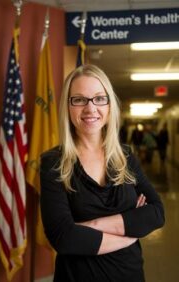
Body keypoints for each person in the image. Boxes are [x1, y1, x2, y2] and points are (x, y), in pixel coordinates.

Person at [40, 64, 165, 282]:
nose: (90, 108)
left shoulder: (125, 157)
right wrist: (129, 233)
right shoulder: (54, 163)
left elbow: (156, 213)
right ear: (67, 107)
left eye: (99, 98)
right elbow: (63, 237)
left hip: (130, 274)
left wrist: (92, 226)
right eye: (79, 99)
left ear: (109, 106)